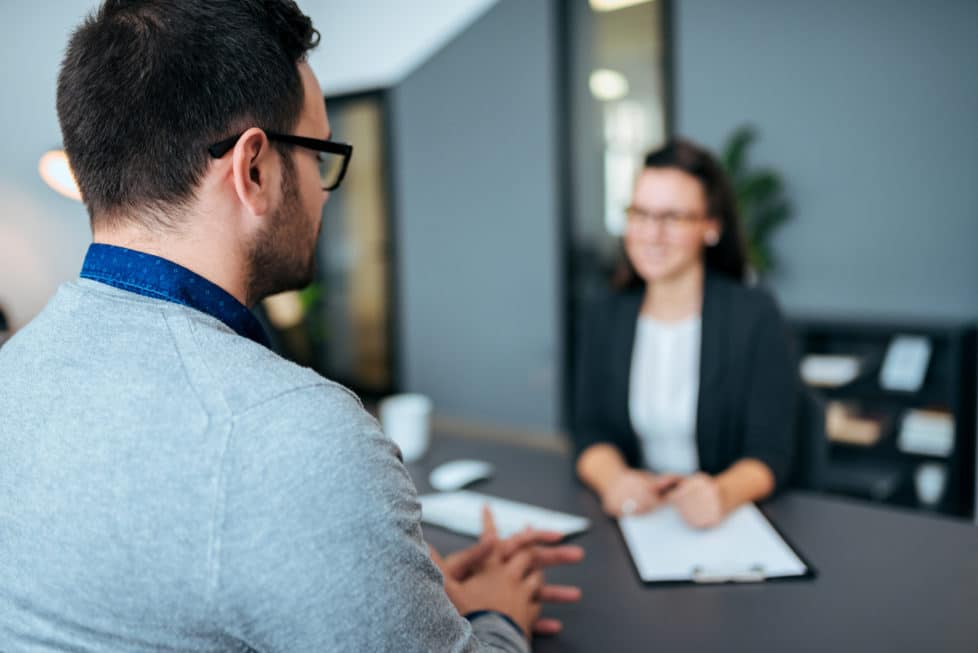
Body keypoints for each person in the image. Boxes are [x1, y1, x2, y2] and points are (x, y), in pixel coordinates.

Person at [0, 2, 581, 651]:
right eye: (320, 154)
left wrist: (398, 589)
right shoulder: (292, 431)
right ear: (254, 170)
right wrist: (498, 614)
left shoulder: (12, 374)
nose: (326, 190)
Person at [572, 138, 798, 528]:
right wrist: (614, 480)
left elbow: (771, 452)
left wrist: (722, 493)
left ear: (711, 227)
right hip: (637, 521)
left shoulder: (754, 314)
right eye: (639, 213)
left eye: (672, 217)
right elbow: (588, 431)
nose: (651, 233)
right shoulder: (604, 314)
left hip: (726, 524)